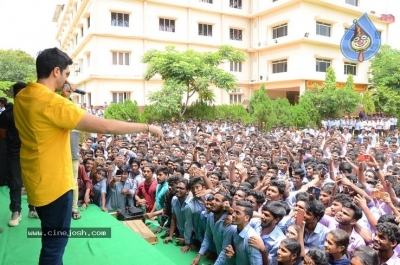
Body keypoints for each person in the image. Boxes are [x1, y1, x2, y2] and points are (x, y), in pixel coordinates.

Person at [13, 47, 162, 265]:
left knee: (49, 239)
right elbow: (105, 125)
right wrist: (147, 127)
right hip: (55, 187)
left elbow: (45, 122)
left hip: (36, 182)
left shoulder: (23, 95)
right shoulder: (54, 104)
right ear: (56, 71)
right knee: (53, 250)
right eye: (66, 74)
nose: (67, 78)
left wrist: (64, 96)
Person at [0, 82, 38, 226]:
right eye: (20, 93)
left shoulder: (33, 111)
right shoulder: (7, 114)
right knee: (16, 182)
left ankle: (33, 208)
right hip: (14, 153)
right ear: (14, 95)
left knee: (33, 181)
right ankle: (16, 211)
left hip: (32, 152)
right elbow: (3, 134)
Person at [225, 200, 263, 265]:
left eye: (237, 213)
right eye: (234, 211)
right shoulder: (235, 231)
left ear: (246, 218)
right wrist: (233, 254)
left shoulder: (251, 239)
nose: (233, 215)